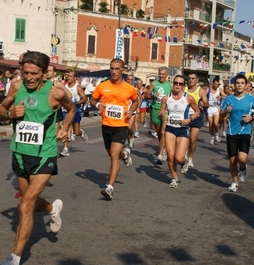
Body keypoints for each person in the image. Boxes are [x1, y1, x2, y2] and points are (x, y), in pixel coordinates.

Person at [0, 51, 76, 265]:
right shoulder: (16, 86)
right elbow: (1, 110)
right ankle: (52, 208)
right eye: (25, 73)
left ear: (44, 74)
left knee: (25, 206)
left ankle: (15, 258)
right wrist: (9, 115)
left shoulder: (56, 92)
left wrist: (66, 128)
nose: (29, 78)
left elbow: (72, 109)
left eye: (34, 73)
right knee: (28, 201)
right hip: (20, 153)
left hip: (44, 154)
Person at [90, 58, 138, 200]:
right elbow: (92, 100)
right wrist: (98, 105)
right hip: (106, 124)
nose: (114, 71)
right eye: (112, 68)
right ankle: (125, 155)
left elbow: (135, 101)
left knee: (114, 155)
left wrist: (131, 110)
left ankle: (110, 187)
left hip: (121, 125)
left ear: (122, 70)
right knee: (112, 154)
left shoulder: (129, 88)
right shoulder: (102, 86)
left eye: (117, 69)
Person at [220, 74, 254, 192]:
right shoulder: (229, 99)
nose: (239, 85)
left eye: (242, 83)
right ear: (235, 85)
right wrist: (226, 111)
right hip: (231, 132)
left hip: (245, 131)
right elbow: (221, 114)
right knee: (232, 160)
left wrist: (251, 117)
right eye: (237, 83)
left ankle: (243, 168)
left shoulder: (250, 99)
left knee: (242, 159)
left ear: (245, 85)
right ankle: (234, 182)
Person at [159, 75, 200, 188]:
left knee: (178, 157)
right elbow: (162, 110)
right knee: (171, 156)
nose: (177, 85)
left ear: (184, 85)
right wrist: (162, 112)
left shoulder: (188, 98)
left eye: (180, 84)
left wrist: (189, 119)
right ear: (173, 83)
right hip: (170, 128)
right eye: (176, 83)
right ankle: (173, 177)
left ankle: (184, 161)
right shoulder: (166, 98)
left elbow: (197, 111)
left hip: (182, 129)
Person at [180, 72, 209, 174]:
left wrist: (203, 104)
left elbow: (207, 104)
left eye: (193, 78)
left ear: (197, 80)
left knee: (192, 140)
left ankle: (190, 157)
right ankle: (183, 154)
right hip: (185, 117)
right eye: (189, 78)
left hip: (197, 117)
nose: (191, 80)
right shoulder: (184, 89)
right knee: (183, 138)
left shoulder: (201, 91)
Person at [146, 66, 171, 164]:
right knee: (159, 133)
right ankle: (164, 149)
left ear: (166, 75)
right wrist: (152, 96)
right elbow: (146, 96)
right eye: (160, 74)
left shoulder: (170, 85)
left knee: (163, 132)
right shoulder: (154, 83)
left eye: (163, 74)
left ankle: (160, 154)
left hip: (166, 111)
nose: (161, 76)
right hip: (156, 110)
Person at [60, 70, 89, 157]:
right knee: (65, 129)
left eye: (70, 76)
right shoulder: (65, 86)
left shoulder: (78, 87)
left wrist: (77, 103)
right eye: (67, 76)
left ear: (74, 78)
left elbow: (85, 98)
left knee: (76, 132)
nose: (68, 78)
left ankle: (80, 132)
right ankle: (65, 149)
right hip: (66, 111)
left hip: (76, 111)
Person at [206, 79, 226, 145]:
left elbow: (225, 96)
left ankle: (216, 134)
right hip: (209, 108)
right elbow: (202, 96)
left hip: (216, 108)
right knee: (211, 124)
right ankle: (212, 137)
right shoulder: (208, 89)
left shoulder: (219, 90)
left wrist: (221, 97)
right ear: (212, 83)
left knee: (215, 123)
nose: (216, 86)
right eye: (215, 84)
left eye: (218, 85)